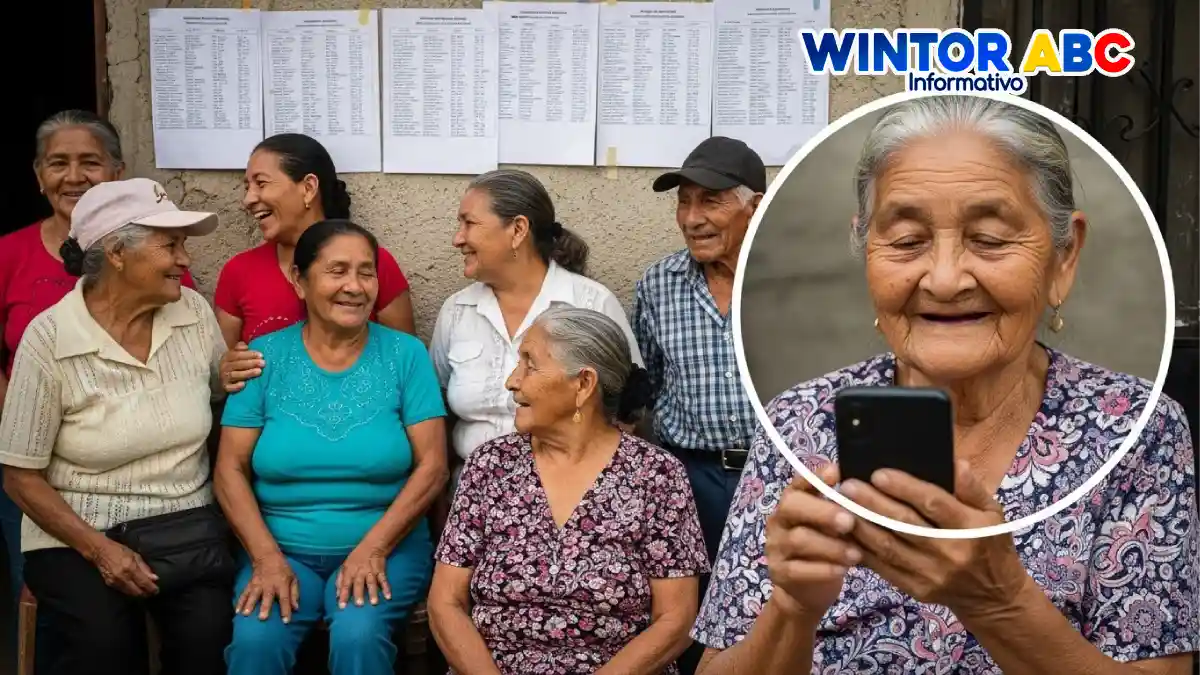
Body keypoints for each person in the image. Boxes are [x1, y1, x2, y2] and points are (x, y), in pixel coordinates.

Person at [692, 95, 1200, 673]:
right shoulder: (799, 423)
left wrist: (999, 600)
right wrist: (791, 608)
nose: (945, 279)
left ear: (1063, 255)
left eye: (989, 239)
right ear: (867, 251)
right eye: (907, 242)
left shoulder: (1135, 429)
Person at [0, 178, 231, 675]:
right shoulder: (49, 338)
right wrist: (101, 550)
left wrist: (234, 375)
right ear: (117, 254)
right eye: (170, 245)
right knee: (103, 649)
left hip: (184, 524)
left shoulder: (191, 312)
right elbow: (19, 476)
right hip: (77, 535)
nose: (185, 259)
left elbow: (218, 392)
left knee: (209, 642)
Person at [215, 219, 448, 675]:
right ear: (299, 281)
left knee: (358, 634)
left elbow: (433, 467)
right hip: (281, 548)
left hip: (387, 546)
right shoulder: (260, 358)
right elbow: (229, 469)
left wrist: (374, 548)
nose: (355, 287)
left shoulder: (406, 356)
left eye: (366, 272)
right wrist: (265, 558)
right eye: (337, 271)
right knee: (255, 640)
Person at [428, 306, 709, 674]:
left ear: (583, 384)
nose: (513, 381)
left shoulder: (656, 475)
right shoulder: (490, 465)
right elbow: (445, 603)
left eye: (530, 364)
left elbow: (676, 618)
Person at [633, 136, 765, 672]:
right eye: (684, 202)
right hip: (690, 479)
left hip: (776, 474)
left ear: (754, 205)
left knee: (776, 611)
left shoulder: (789, 281)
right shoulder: (659, 285)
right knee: (689, 617)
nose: (692, 218)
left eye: (710, 201)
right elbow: (649, 386)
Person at [430, 169, 642, 486]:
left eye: (469, 223)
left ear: (517, 229)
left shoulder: (589, 302)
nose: (457, 238)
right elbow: (438, 416)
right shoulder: (457, 312)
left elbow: (627, 413)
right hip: (472, 500)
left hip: (570, 496)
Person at [215, 133, 414, 392]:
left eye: (261, 184)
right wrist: (227, 371)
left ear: (308, 188)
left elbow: (407, 369)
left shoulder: (373, 263)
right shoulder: (238, 273)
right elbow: (224, 370)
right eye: (247, 187)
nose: (249, 199)